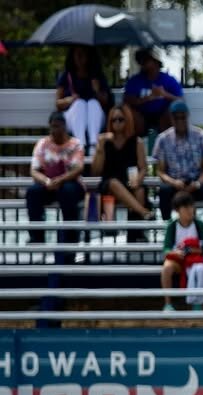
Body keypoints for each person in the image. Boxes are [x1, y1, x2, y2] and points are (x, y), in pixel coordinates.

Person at [91, 105, 152, 242]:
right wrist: (100, 148)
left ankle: (135, 235)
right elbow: (96, 171)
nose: (117, 123)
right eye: (114, 120)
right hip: (109, 185)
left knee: (140, 190)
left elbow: (143, 168)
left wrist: (138, 180)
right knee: (113, 183)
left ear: (127, 120)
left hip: (129, 181)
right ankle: (143, 212)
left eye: (120, 119)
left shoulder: (137, 142)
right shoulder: (105, 142)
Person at [153, 101, 203, 219]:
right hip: (174, 184)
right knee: (164, 190)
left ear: (187, 116)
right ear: (171, 118)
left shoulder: (201, 136)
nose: (180, 121)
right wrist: (173, 182)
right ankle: (167, 225)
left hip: (195, 182)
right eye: (176, 118)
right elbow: (160, 171)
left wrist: (197, 183)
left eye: (182, 117)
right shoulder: (163, 139)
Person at [26, 112, 85, 248]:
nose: (54, 130)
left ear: (64, 126)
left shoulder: (75, 144)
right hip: (49, 183)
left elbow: (78, 168)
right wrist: (47, 181)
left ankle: (71, 237)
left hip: (70, 183)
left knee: (67, 191)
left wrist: (60, 179)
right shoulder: (42, 143)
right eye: (52, 127)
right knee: (33, 192)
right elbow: (34, 170)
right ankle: (37, 236)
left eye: (57, 126)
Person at [54, 45, 111, 156]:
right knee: (79, 104)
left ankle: (93, 144)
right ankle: (80, 145)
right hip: (72, 119)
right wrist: (70, 100)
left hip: (95, 120)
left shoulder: (97, 76)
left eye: (83, 54)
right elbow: (58, 103)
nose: (80, 57)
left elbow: (106, 101)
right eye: (77, 54)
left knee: (92, 103)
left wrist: (97, 91)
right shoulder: (67, 75)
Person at [160, 191, 203, 312]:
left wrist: (192, 251)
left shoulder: (199, 225)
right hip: (179, 260)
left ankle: (199, 303)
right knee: (166, 267)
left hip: (195, 260)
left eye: (191, 206)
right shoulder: (172, 226)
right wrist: (176, 253)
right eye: (186, 207)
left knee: (200, 268)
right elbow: (166, 249)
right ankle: (168, 304)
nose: (190, 210)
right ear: (177, 210)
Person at [123, 48, 183, 136]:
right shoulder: (135, 80)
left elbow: (180, 100)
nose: (143, 63)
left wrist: (164, 94)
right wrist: (147, 98)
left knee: (172, 111)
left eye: (146, 60)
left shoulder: (168, 80)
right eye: (141, 61)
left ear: (156, 62)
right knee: (131, 113)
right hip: (141, 116)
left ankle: (168, 140)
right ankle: (137, 142)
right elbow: (127, 100)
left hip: (162, 115)